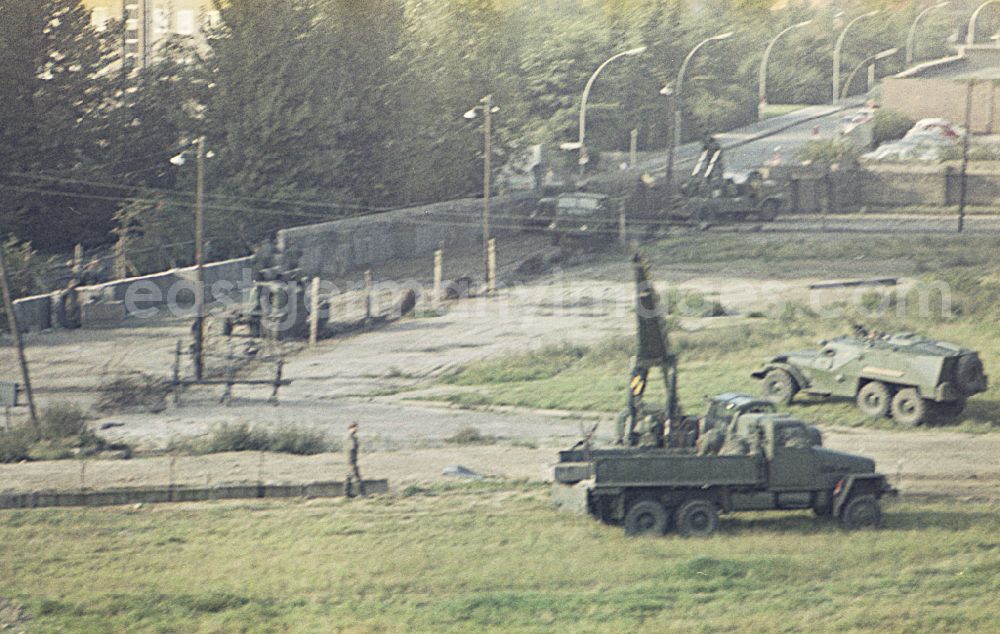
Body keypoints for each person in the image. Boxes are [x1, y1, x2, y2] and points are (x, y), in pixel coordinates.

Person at [345, 422, 365, 497]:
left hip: (351, 460)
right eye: (354, 427)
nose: (356, 429)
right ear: (350, 428)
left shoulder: (353, 437)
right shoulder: (351, 438)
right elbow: (351, 449)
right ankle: (362, 494)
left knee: (348, 477)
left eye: (356, 427)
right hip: (351, 461)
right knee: (357, 477)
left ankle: (346, 494)